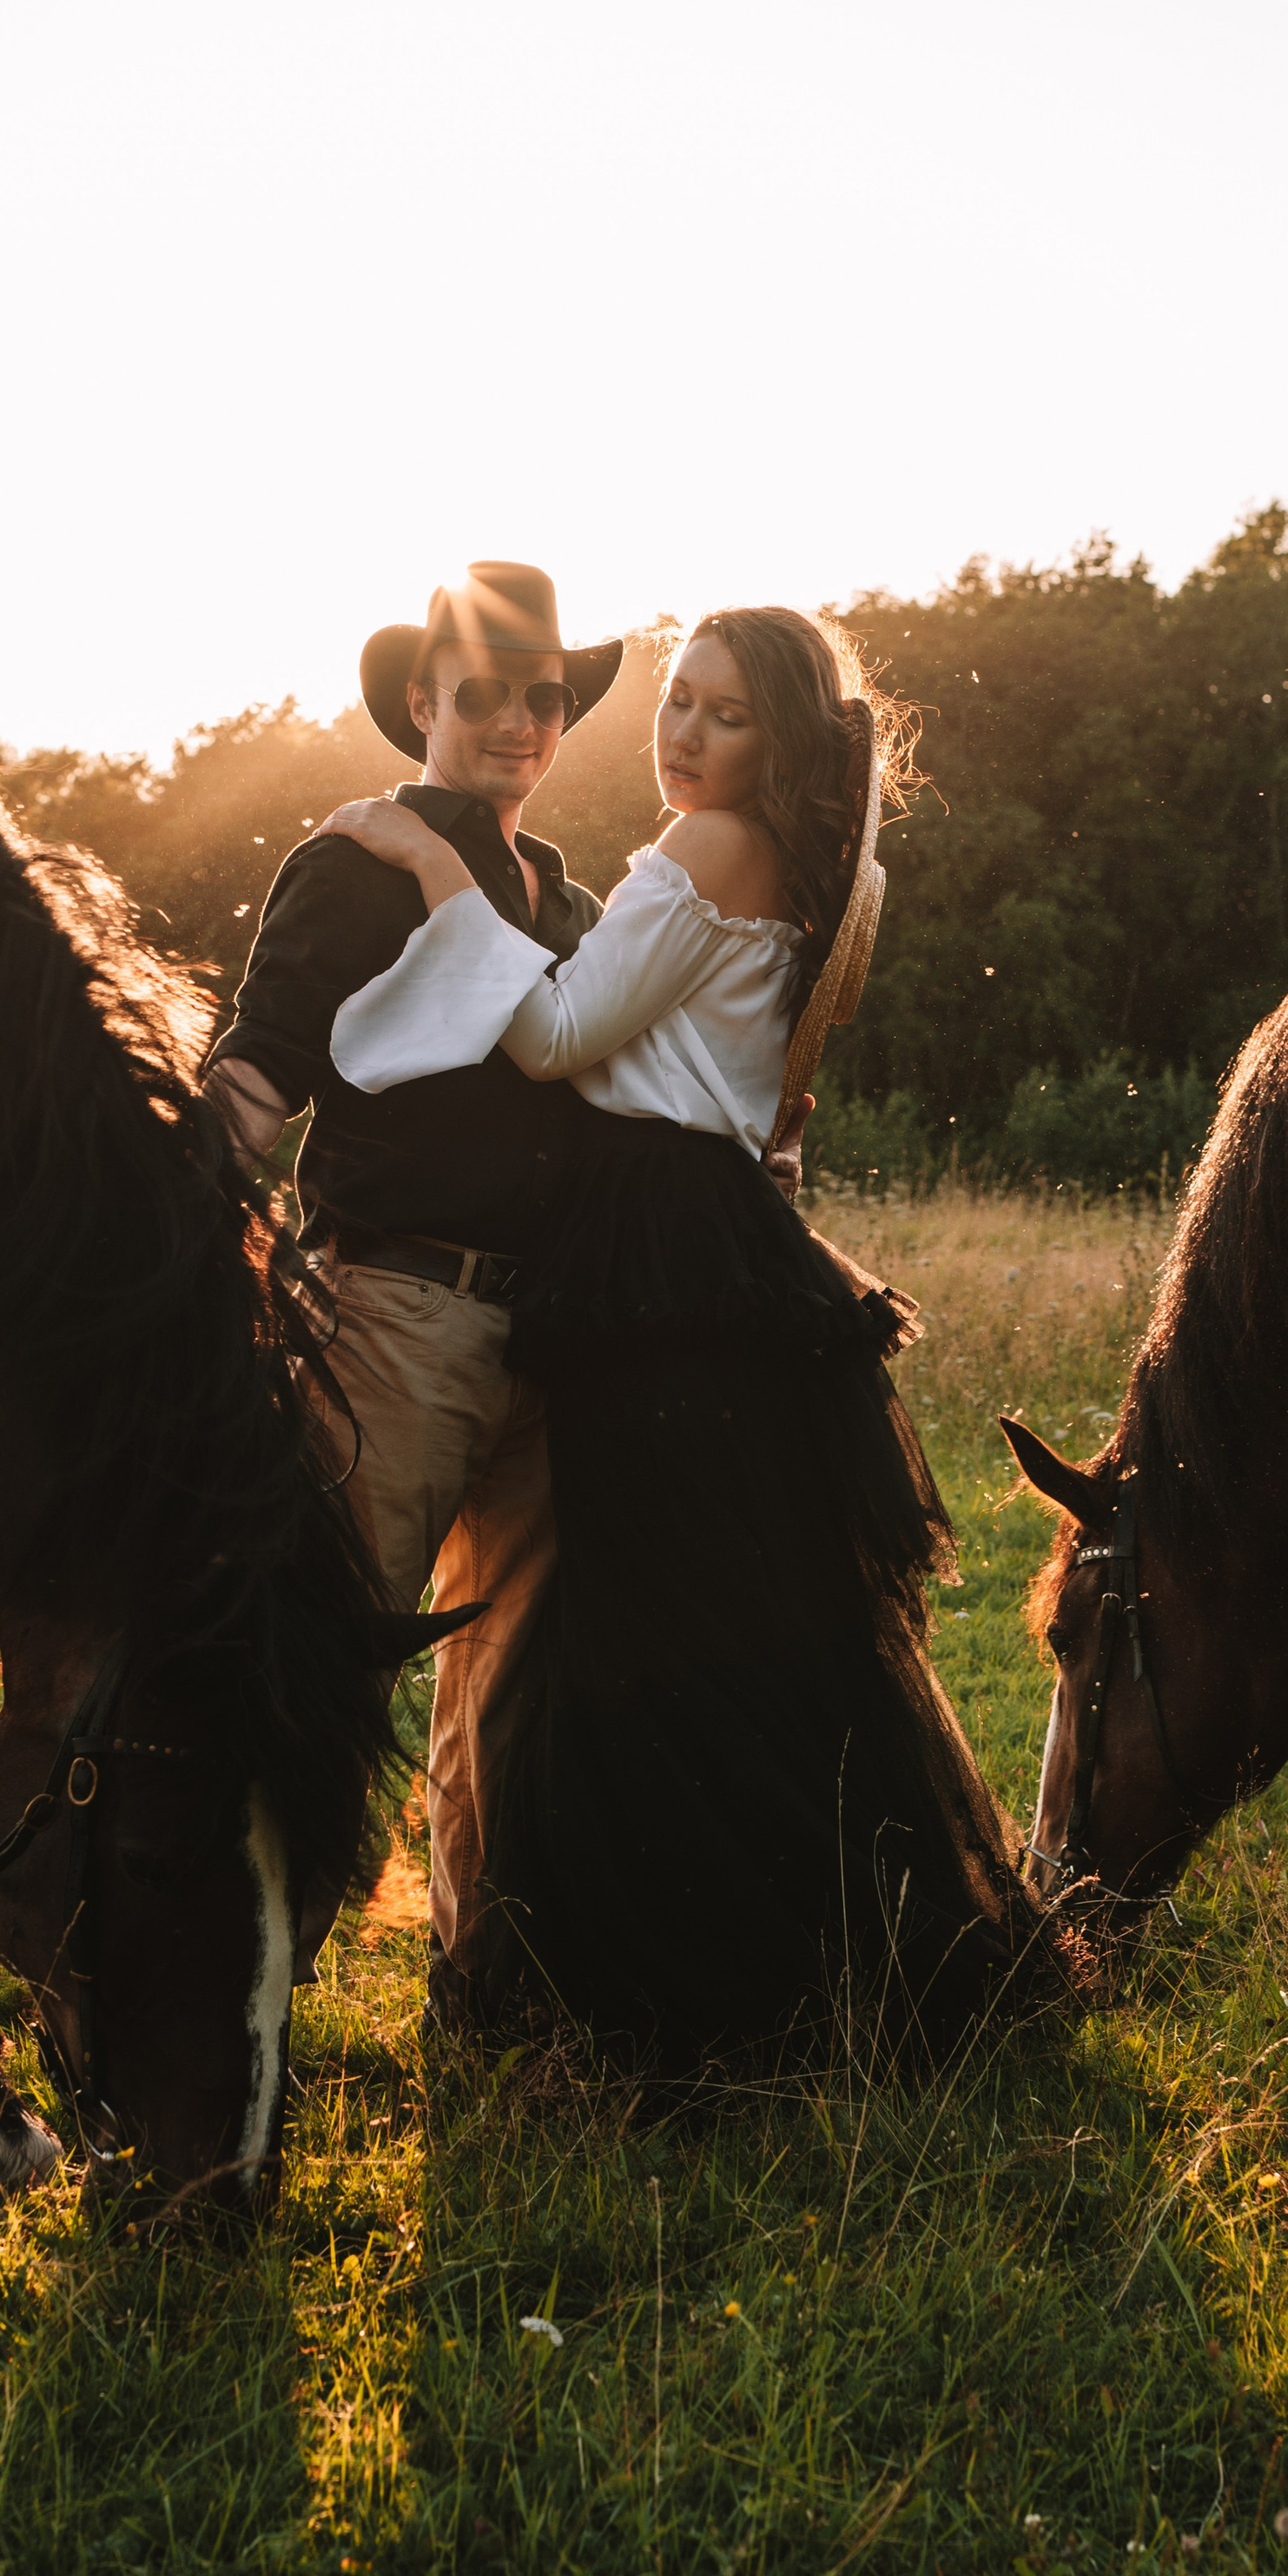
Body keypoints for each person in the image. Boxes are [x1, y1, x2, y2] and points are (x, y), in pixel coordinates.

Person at [320, 606, 1055, 2068]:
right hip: (717, 1225)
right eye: (675, 702)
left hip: (654, 1237)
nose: (684, 735)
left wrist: (427, 860)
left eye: (724, 713)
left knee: (629, 1610)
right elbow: (772, 1093)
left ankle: (664, 1989)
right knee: (737, 1621)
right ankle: (793, 1964)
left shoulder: (706, 850)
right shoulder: (846, 874)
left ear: (781, 736)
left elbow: (552, 1033)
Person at [201, 562, 622, 2010]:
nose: (516, 720)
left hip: (547, 1333)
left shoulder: (568, 899)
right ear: (424, 706)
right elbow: (260, 1070)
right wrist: (174, 1192)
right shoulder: (350, 869)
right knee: (338, 1660)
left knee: (511, 1675)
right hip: (390, 1312)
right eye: (485, 693)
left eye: (542, 696)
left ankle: (481, 1982)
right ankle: (242, 2000)